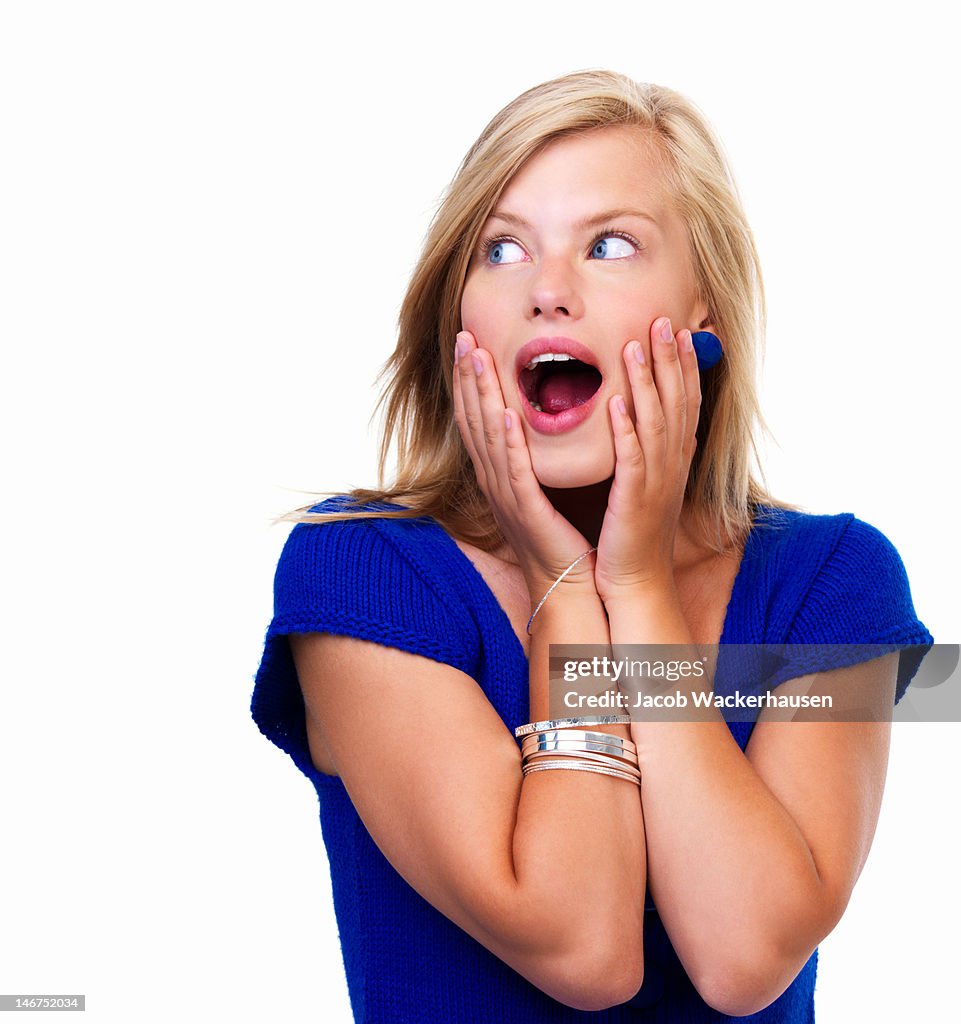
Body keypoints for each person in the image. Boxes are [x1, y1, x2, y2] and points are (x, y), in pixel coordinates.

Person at [251, 69, 932, 1022]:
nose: (547, 292)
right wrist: (566, 592)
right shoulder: (362, 570)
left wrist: (638, 587)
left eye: (609, 245)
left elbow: (743, 961)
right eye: (501, 249)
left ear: (705, 309)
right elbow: (582, 946)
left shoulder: (834, 583)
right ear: (460, 318)